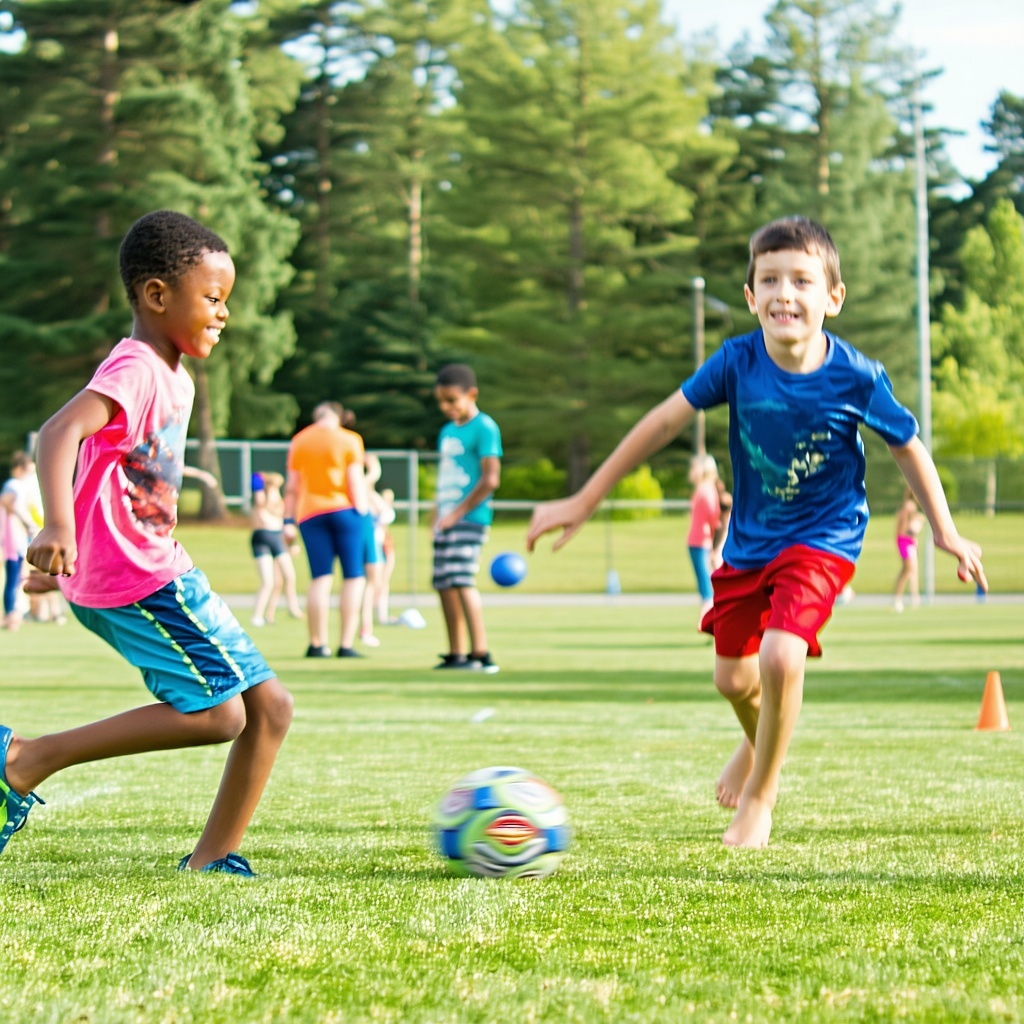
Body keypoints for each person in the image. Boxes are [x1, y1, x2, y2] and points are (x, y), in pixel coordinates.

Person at [526, 216, 986, 849]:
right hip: (749, 542)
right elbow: (662, 422)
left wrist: (946, 531)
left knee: (780, 654)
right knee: (732, 680)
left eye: (801, 280)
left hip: (826, 537)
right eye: (769, 280)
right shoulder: (736, 362)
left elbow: (908, 446)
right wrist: (585, 498)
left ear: (833, 297)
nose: (784, 294)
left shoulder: (856, 375)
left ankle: (760, 798)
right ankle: (758, 740)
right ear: (750, 297)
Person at [0, 210, 293, 874]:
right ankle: (23, 760)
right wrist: (58, 528)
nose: (223, 314)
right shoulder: (135, 366)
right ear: (158, 295)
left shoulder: (173, 375)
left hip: (159, 570)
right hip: (140, 581)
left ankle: (211, 860)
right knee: (221, 716)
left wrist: (66, 562)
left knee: (269, 709)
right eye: (213, 299)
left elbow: (104, 467)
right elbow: (57, 434)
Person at [283, 402, 374, 658]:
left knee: (321, 578)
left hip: (310, 513)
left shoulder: (300, 441)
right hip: (346, 511)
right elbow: (354, 480)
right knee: (353, 577)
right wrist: (364, 513)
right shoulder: (350, 439)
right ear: (339, 416)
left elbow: (292, 486)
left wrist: (287, 520)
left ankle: (317, 643)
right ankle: (345, 644)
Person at [432, 363, 503, 673]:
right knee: (443, 583)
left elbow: (490, 479)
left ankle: (480, 652)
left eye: (452, 401)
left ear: (471, 394)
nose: (446, 408)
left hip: (470, 517)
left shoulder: (485, 427)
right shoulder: (447, 432)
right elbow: (444, 477)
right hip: (445, 518)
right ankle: (456, 653)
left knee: (461, 580)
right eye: (441, 402)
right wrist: (437, 515)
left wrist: (457, 513)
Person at [249, 471, 303, 627]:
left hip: (277, 537)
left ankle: (279, 611)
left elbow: (285, 522)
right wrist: (262, 481)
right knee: (268, 581)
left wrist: (292, 543)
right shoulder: (261, 499)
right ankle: (257, 615)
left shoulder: (279, 502)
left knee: (286, 577)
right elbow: (256, 483)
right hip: (263, 536)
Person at [359, 453, 397, 646]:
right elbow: (386, 514)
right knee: (369, 585)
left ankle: (368, 626)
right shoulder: (362, 490)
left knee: (373, 585)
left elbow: (387, 514)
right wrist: (373, 471)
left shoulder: (368, 492)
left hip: (375, 543)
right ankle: (365, 629)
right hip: (368, 543)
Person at [1, 452, 38, 631]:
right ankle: (10, 615)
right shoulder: (13, 485)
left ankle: (13, 613)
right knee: (13, 577)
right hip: (13, 538)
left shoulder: (18, 485)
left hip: (19, 537)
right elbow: (8, 501)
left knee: (16, 578)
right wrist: (26, 521)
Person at [687, 453, 723, 628]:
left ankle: (708, 623)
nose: (691, 472)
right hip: (696, 543)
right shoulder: (702, 490)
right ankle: (709, 622)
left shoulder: (706, 491)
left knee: (706, 585)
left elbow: (714, 518)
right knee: (704, 584)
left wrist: (715, 547)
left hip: (701, 543)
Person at [893, 485, 924, 612]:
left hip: (908, 541)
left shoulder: (910, 507)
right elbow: (906, 527)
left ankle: (913, 597)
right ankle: (898, 598)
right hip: (904, 540)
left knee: (911, 570)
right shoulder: (909, 507)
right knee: (907, 569)